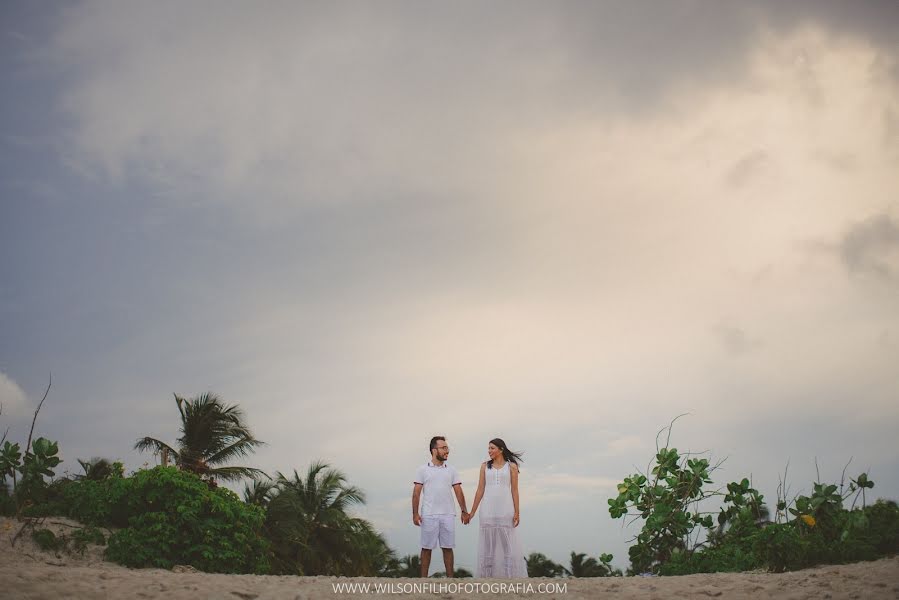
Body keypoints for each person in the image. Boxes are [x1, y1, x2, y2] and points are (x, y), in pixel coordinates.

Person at [467, 438, 528, 578]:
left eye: (492, 448)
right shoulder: (484, 466)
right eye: (488, 448)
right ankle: (486, 578)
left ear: (501, 449)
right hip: (487, 511)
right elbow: (480, 490)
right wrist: (472, 512)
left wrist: (517, 512)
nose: (489, 451)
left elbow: (514, 490)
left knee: (508, 547)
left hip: (506, 511)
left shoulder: (511, 466)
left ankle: (508, 577)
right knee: (488, 548)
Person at [412, 436, 469, 578]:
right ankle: (423, 580)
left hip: (448, 514)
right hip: (428, 514)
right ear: (434, 450)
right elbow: (416, 493)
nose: (447, 451)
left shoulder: (452, 470)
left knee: (448, 548)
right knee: (426, 548)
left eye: (447, 448)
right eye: (443, 448)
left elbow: (458, 491)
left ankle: (450, 580)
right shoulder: (422, 470)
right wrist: (415, 514)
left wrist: (464, 511)